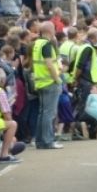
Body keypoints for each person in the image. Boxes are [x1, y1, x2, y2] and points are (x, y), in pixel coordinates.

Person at [32, 21, 65, 149]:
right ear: (50, 31)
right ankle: (48, 141)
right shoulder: (46, 45)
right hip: (50, 82)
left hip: (40, 81)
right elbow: (49, 64)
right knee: (49, 113)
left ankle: (40, 141)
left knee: (42, 113)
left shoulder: (37, 44)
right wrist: (57, 79)